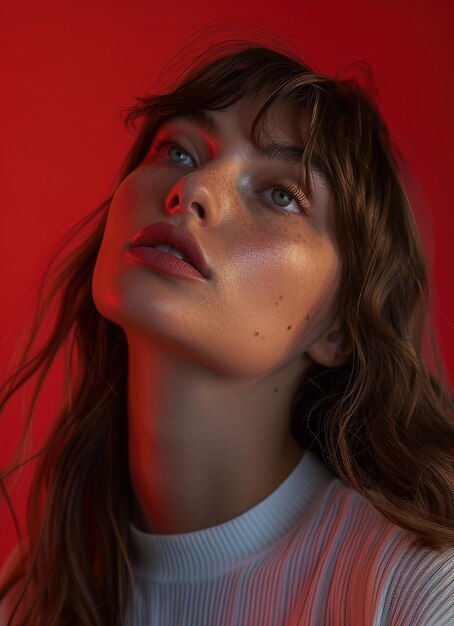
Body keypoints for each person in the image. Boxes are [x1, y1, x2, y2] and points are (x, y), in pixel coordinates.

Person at [0, 26, 453, 626]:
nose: (192, 190)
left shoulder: (415, 590)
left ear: (339, 328)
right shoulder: (35, 592)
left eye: (282, 195)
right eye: (178, 151)